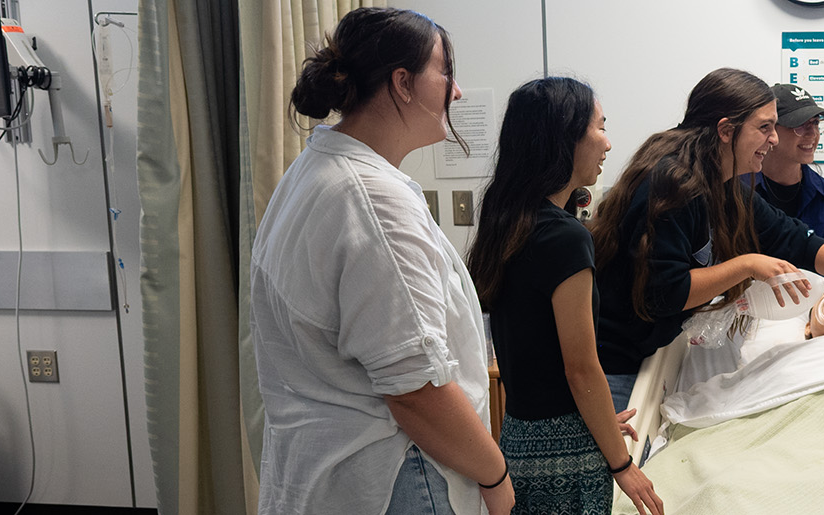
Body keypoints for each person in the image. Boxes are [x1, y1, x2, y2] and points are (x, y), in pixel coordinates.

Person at [254, 8, 513, 514]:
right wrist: (496, 475)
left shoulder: (313, 173)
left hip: (329, 471)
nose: (456, 92)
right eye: (447, 73)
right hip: (395, 475)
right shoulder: (372, 201)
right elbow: (417, 392)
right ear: (403, 83)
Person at [590, 68, 824, 411]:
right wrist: (746, 265)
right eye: (764, 127)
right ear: (726, 131)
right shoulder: (672, 184)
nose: (772, 140)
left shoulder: (722, 183)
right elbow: (666, 293)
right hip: (615, 363)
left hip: (643, 352)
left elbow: (793, 238)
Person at [467, 77, 665, 515]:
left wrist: (594, 425)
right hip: (565, 461)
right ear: (565, 137)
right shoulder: (565, 237)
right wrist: (622, 464)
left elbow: (536, 358)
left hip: (519, 441)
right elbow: (580, 368)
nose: (608, 143)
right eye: (600, 128)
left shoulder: (508, 222)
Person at [744, 84, 824, 243]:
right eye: (800, 125)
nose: (812, 134)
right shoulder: (738, 187)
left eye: (815, 123)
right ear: (771, 130)